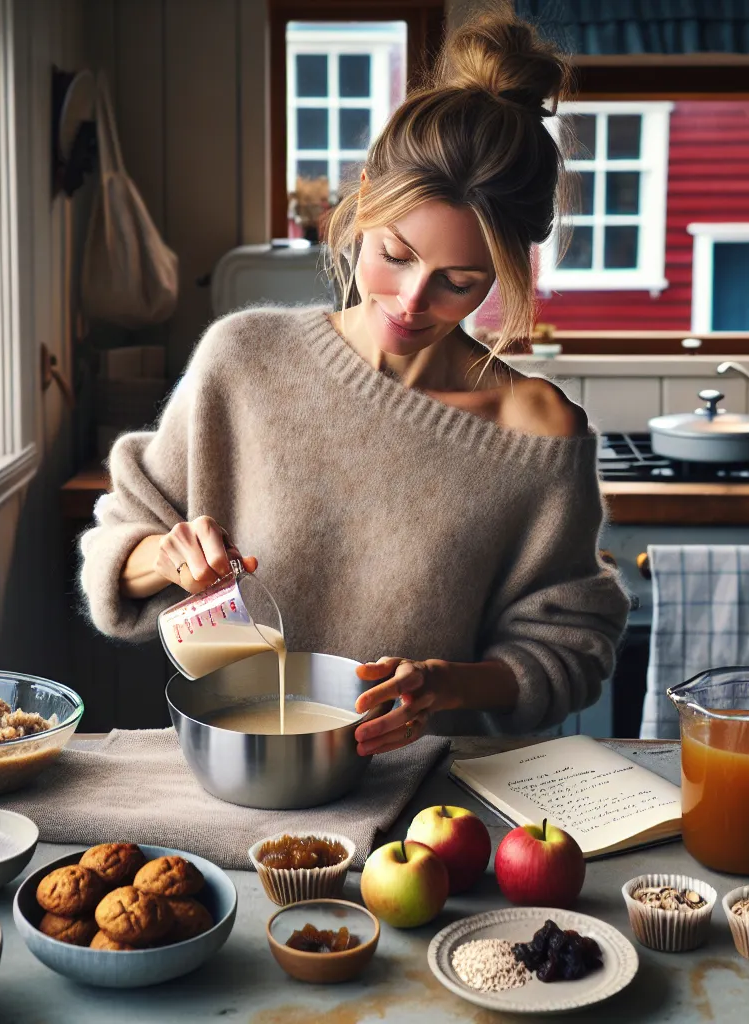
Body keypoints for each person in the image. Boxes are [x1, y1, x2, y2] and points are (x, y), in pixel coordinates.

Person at [78, 9, 628, 756]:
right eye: (395, 255)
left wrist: (446, 687)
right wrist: (167, 556)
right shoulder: (244, 361)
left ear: (509, 269)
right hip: (235, 779)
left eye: (459, 281)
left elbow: (572, 651)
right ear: (364, 199)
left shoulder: (533, 434)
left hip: (431, 813)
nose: (411, 302)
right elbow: (121, 542)